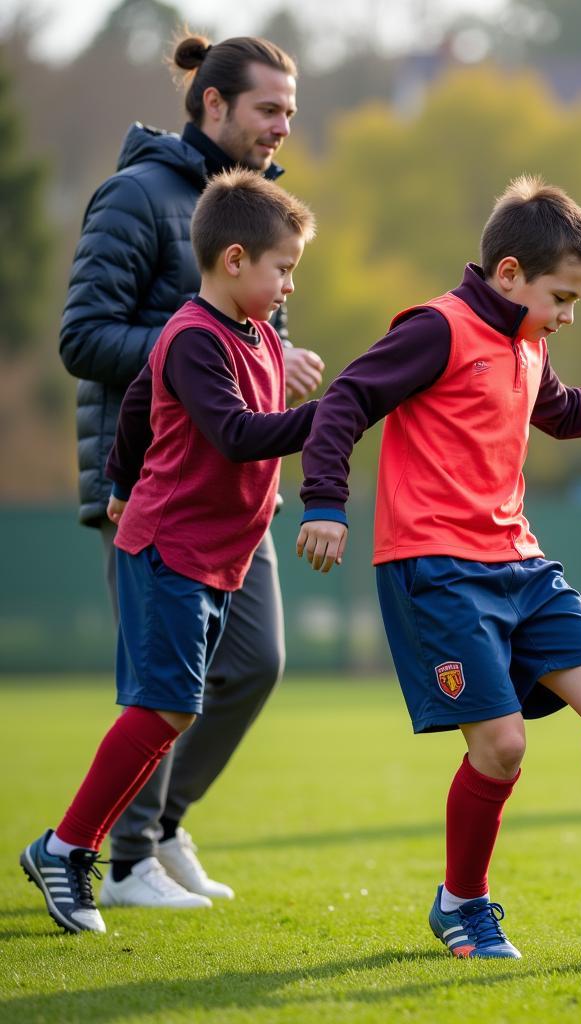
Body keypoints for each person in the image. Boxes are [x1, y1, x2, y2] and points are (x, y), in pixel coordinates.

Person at [295, 175, 581, 959]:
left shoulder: (527, 339)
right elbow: (346, 399)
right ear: (508, 274)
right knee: (502, 746)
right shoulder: (436, 329)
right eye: (562, 296)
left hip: (519, 561)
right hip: (437, 568)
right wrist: (322, 500)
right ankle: (462, 904)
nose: (568, 315)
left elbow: (560, 412)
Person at [57, 33, 324, 909]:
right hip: (157, 487)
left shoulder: (259, 211)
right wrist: (202, 356)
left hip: (239, 494)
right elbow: (84, 337)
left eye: (290, 110)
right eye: (268, 109)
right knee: (165, 685)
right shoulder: (135, 196)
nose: (283, 125)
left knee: (253, 664)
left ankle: (160, 828)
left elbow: (251, 340)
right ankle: (124, 856)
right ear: (213, 104)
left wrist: (272, 364)